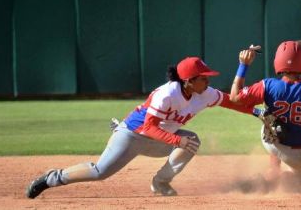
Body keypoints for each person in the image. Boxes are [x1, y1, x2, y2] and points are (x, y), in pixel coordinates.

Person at [26, 56, 256, 199]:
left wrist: (257, 112)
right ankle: (52, 178)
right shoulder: (166, 94)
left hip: (160, 138)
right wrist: (177, 141)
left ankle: (161, 183)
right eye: (203, 78)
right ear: (188, 80)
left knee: (192, 140)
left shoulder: (204, 94)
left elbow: (232, 102)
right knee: (100, 172)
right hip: (132, 135)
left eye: (207, 77)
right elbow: (148, 128)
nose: (207, 81)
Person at [229, 41, 301, 188]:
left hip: (273, 144)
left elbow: (234, 97)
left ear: (277, 62)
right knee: (297, 180)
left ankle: (272, 170)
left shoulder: (267, 85)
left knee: (270, 120)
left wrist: (243, 65)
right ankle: (275, 181)